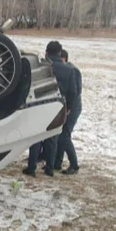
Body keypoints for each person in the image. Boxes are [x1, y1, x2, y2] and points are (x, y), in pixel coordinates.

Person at [23, 41, 78, 177]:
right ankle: (49, 168)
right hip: (58, 106)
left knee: (36, 137)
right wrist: (68, 107)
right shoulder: (69, 70)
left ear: (47, 52)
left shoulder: (41, 66)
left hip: (39, 104)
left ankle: (31, 168)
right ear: (60, 53)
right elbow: (73, 92)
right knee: (52, 138)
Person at [53, 49, 83, 175]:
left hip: (73, 107)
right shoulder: (66, 70)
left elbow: (75, 92)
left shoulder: (72, 71)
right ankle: (57, 163)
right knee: (60, 134)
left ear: (64, 59)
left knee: (65, 135)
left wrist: (69, 108)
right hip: (66, 106)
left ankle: (74, 164)